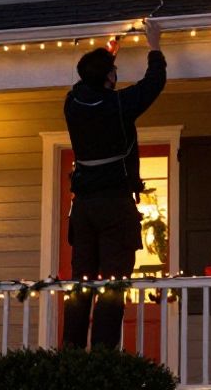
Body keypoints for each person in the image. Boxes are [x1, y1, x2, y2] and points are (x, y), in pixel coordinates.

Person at [62, 21, 166, 349]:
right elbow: (154, 83)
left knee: (80, 285)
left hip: (83, 209)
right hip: (115, 207)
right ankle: (103, 358)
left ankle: (72, 355)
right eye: (113, 72)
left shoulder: (72, 103)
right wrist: (154, 46)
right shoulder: (118, 106)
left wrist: (109, 54)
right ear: (109, 77)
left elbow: (90, 83)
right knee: (112, 285)